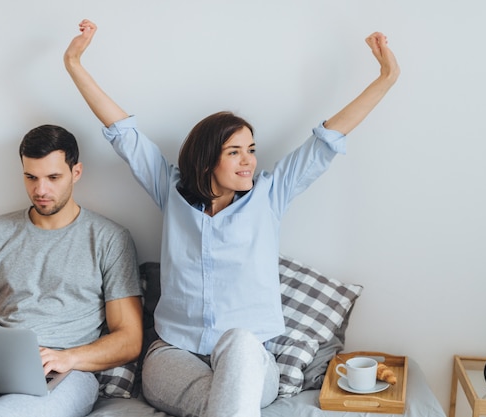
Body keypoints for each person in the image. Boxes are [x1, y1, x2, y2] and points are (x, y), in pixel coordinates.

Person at [64, 19, 399, 417]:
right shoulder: (170, 191)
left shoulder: (271, 195)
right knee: (227, 401)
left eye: (251, 150)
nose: (249, 161)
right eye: (235, 152)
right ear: (208, 159)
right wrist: (74, 64)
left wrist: (387, 77)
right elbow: (123, 132)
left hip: (250, 359)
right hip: (174, 355)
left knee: (239, 345)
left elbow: (326, 140)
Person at [0, 125, 143, 417]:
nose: (40, 190)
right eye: (31, 177)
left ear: (76, 173)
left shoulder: (110, 238)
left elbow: (129, 339)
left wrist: (67, 358)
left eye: (53, 177)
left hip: (67, 372)